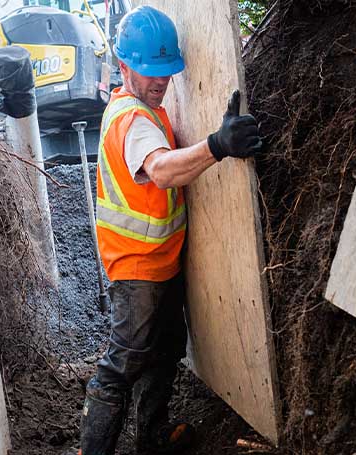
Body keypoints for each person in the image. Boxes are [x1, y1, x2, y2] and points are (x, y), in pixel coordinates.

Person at [77, 5, 262, 455]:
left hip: (161, 262)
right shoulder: (133, 120)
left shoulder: (144, 107)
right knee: (124, 361)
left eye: (166, 71)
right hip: (137, 268)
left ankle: (152, 438)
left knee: (164, 351)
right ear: (124, 67)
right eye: (149, 72)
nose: (160, 81)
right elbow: (160, 171)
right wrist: (218, 145)